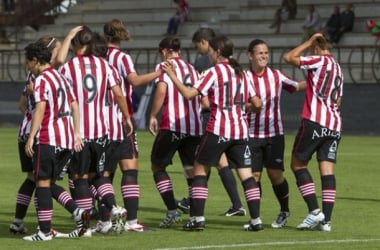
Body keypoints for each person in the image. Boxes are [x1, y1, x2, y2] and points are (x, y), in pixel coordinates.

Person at [163, 35, 264, 231]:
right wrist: (242, 108)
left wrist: (172, 75)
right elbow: (258, 104)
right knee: (247, 176)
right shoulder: (241, 73)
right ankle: (256, 221)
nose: (209, 55)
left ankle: (197, 218)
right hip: (240, 131)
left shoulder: (214, 72)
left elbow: (189, 94)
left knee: (200, 171)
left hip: (218, 128)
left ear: (217, 52)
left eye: (210, 52)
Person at [59, 26, 133, 234]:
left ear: (77, 46)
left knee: (79, 177)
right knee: (98, 175)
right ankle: (114, 207)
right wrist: (126, 117)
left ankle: (85, 226)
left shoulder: (69, 67)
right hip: (101, 131)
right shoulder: (105, 66)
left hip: (79, 133)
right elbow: (119, 94)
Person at [9, 29, 83, 235]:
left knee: (38, 180)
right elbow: (28, 105)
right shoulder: (51, 75)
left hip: (41, 134)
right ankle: (72, 213)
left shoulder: (40, 77)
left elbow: (26, 105)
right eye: (57, 50)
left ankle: (39, 225)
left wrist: (32, 124)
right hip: (48, 134)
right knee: (39, 180)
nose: (61, 55)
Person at [102, 19, 162, 232]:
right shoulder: (122, 58)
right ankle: (131, 221)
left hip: (99, 122)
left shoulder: (97, 58)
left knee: (104, 172)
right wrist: (159, 72)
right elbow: (134, 81)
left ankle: (106, 219)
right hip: (120, 118)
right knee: (129, 169)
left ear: (105, 36)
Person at [284, 32, 343, 232]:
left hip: (315, 121)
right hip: (334, 125)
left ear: (316, 48)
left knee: (297, 164)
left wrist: (308, 42)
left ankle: (314, 211)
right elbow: (338, 100)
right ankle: (326, 221)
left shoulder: (319, 60)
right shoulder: (338, 68)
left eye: (311, 48)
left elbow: (289, 57)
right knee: (327, 171)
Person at [184, 27, 246, 217]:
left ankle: (194, 205)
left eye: (199, 46)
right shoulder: (234, 67)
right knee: (220, 162)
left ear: (205, 43)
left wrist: (205, 103)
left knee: (203, 163)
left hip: (214, 118)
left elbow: (202, 94)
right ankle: (237, 205)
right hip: (233, 122)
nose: (201, 51)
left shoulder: (207, 63)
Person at [245, 39, 306, 229]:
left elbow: (295, 87)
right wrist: (249, 107)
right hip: (250, 135)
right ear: (250, 55)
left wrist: (317, 80)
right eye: (260, 53)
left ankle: (284, 211)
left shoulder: (276, 75)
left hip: (274, 134)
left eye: (266, 53)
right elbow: (236, 101)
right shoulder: (243, 77)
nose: (264, 56)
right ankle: (256, 218)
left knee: (275, 174)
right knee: (254, 176)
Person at [149, 36, 202, 228]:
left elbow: (162, 91)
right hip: (194, 127)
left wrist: (153, 115)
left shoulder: (164, 66)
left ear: (164, 51)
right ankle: (196, 216)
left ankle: (172, 210)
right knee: (192, 171)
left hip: (172, 125)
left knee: (157, 167)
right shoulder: (193, 69)